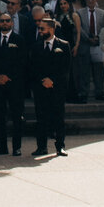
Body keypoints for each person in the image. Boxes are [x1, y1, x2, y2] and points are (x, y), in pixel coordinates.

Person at [28, 13, 69, 157]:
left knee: (58, 117)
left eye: (43, 29)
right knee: (41, 118)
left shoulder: (63, 45)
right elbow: (32, 67)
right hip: (41, 88)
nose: (40, 32)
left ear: (51, 30)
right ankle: (41, 147)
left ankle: (60, 146)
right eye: (39, 29)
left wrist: (53, 81)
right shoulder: (36, 46)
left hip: (57, 88)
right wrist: (42, 81)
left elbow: (65, 68)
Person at [0, 9, 26, 155]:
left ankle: (17, 147)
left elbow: (22, 62)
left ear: (12, 23)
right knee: (0, 116)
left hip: (14, 85)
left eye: (7, 21)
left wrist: (8, 77)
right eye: (2, 21)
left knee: (17, 116)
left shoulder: (19, 40)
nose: (5, 23)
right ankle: (2, 146)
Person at [74, 0, 104, 103]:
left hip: (98, 45)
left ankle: (100, 92)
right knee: (84, 71)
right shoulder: (80, 13)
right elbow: (79, 28)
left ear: (96, 0)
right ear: (86, 0)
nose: (91, 1)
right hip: (85, 44)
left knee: (99, 71)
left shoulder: (102, 13)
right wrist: (88, 38)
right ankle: (83, 93)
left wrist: (98, 38)